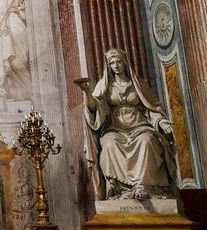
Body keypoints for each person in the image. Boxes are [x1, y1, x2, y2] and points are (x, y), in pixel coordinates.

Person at [74, 49, 177, 201]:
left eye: (118, 62)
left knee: (147, 141)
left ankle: (144, 186)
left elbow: (152, 107)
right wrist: (87, 92)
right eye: (112, 63)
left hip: (140, 126)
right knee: (109, 145)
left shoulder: (138, 84)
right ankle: (120, 189)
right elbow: (94, 108)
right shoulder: (104, 85)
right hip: (114, 128)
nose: (116, 65)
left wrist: (160, 121)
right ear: (108, 66)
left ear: (125, 63)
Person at [0, 0, 31, 102]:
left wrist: (18, 9)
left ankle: (29, 90)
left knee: (19, 58)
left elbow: (25, 12)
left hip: (15, 23)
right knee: (7, 59)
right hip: (3, 27)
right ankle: (14, 93)